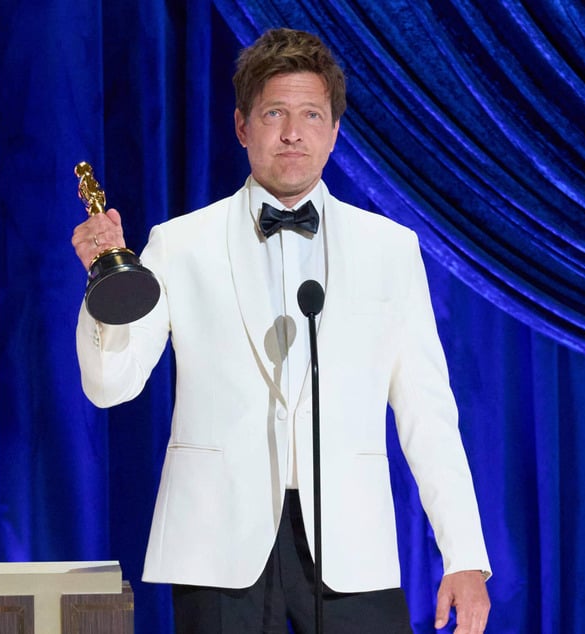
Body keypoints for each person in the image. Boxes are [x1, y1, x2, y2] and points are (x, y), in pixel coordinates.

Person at [73, 28, 491, 634]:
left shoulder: (390, 251)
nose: (292, 132)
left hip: (352, 547)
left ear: (334, 132)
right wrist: (105, 288)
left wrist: (465, 556)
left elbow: (428, 413)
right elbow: (112, 387)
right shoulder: (180, 243)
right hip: (217, 547)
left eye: (310, 115)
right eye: (274, 114)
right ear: (243, 127)